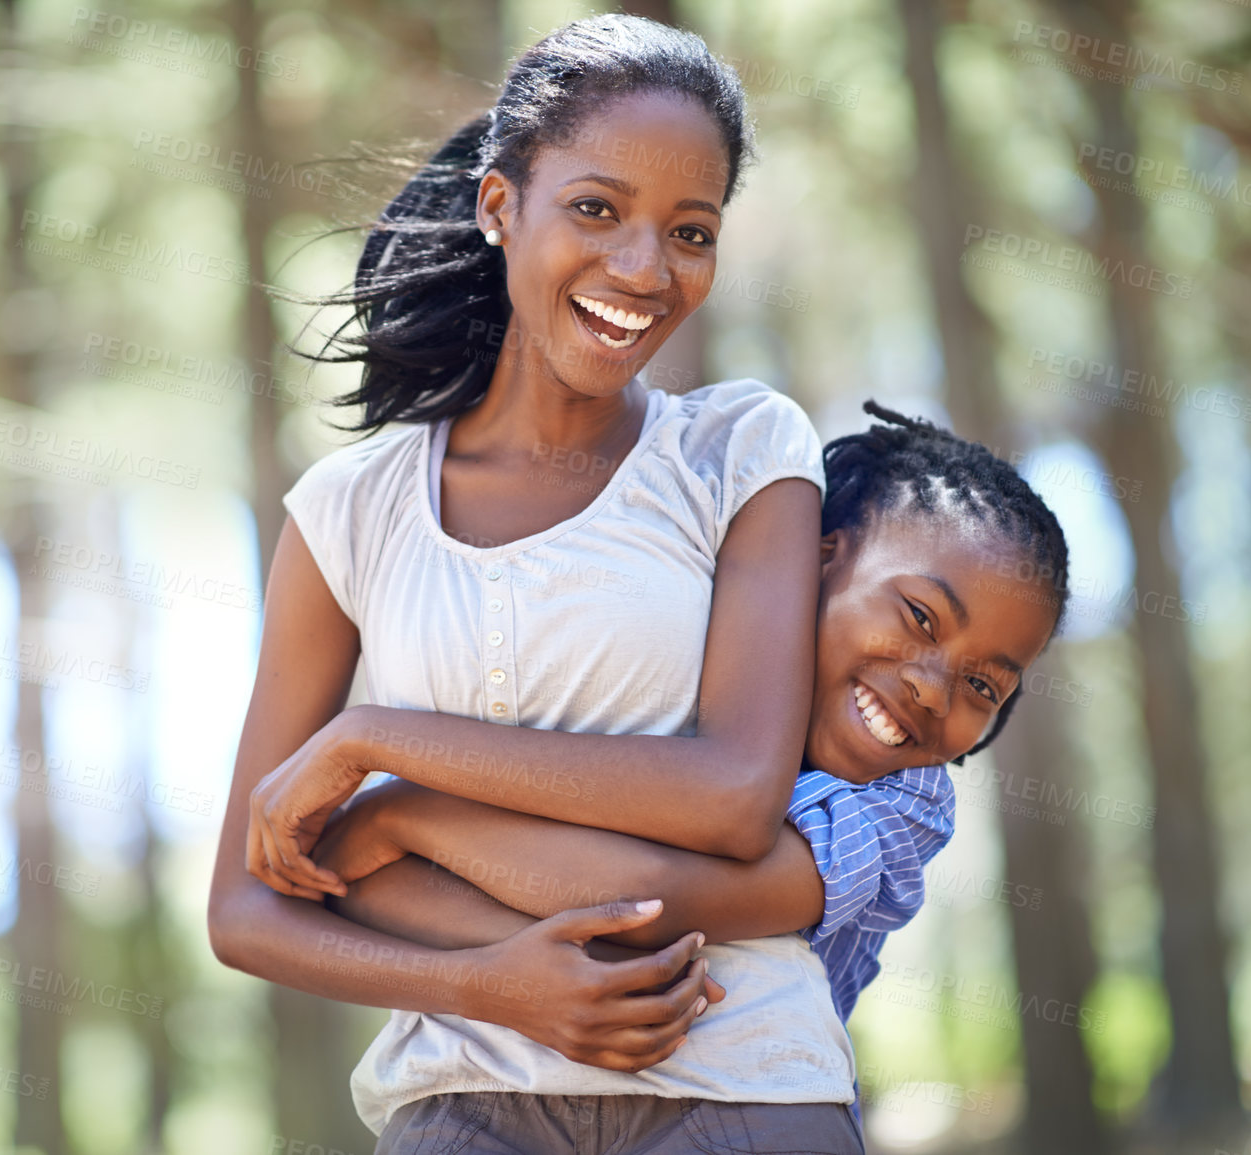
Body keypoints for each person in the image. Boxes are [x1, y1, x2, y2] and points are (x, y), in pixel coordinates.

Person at [208, 14, 1066, 1154]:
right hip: (459, 1100)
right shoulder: (347, 514)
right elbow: (247, 905)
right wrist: (492, 984)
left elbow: (730, 797)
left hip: (746, 1084)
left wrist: (385, 758)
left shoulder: (744, 451)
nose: (644, 269)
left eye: (692, 231)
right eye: (597, 210)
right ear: (501, 206)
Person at [255, 403, 1071, 1151]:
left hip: (739, 1095)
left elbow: (646, 907)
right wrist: (503, 977)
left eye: (983, 687)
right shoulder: (677, 662)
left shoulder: (904, 802)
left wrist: (405, 814)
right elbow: (347, 881)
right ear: (815, 557)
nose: (934, 686)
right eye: (920, 616)